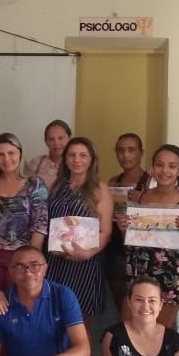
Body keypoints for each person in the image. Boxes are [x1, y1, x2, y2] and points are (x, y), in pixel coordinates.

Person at [120, 144, 179, 328]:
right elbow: (133, 241)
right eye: (159, 165)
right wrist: (123, 228)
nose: (165, 171)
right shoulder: (141, 198)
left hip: (169, 277)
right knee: (128, 330)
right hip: (139, 271)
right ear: (152, 167)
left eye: (172, 166)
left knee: (159, 334)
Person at [45, 136, 114, 334]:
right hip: (56, 261)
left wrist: (88, 253)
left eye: (83, 155)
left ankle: (82, 354)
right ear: (65, 158)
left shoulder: (100, 189)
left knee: (80, 320)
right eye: (72, 155)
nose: (77, 160)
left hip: (85, 263)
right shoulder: (57, 186)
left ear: (91, 159)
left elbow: (106, 231)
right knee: (54, 314)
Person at [0, 132, 48, 291]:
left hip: (23, 255)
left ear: (20, 154)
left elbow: (40, 225)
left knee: (21, 298)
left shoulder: (35, 183)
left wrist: (31, 258)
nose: (6, 159)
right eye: (1, 154)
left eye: (11, 153)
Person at [107, 133, 148, 313]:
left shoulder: (151, 182)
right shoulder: (113, 182)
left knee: (140, 302)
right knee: (120, 303)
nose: (126, 155)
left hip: (142, 251)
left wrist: (144, 200)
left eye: (131, 150)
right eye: (121, 150)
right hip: (116, 248)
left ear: (141, 153)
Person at [26, 119, 71, 190]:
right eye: (51, 139)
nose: (56, 143)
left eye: (60, 138)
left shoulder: (77, 164)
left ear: (70, 138)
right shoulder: (36, 164)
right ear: (46, 142)